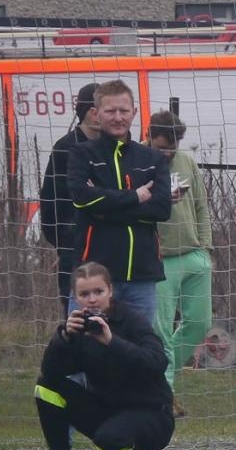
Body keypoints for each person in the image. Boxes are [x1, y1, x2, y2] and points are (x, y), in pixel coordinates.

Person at [30, 262, 173, 450]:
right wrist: (64, 338)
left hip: (151, 412)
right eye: (84, 294)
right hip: (109, 407)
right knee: (45, 387)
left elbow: (157, 362)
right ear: (76, 298)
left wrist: (110, 341)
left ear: (110, 291)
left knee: (107, 439)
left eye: (99, 291)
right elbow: (51, 373)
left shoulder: (132, 320)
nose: (92, 299)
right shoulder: (79, 329)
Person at [68, 79, 171, 320]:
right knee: (84, 346)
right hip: (93, 277)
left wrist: (105, 207)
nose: (117, 117)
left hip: (141, 277)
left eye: (123, 111)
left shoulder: (152, 157)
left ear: (134, 112)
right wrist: (135, 196)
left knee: (138, 350)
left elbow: (161, 208)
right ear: (96, 113)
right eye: (110, 111)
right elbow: (82, 198)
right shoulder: (81, 154)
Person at [148, 110, 211, 418]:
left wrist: (205, 247)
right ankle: (163, 397)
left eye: (172, 146)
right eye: (161, 147)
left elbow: (200, 203)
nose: (167, 152)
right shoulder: (140, 162)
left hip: (193, 255)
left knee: (200, 323)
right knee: (160, 332)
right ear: (149, 137)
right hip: (160, 260)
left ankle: (159, 381)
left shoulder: (186, 162)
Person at [38, 82, 100, 303]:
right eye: (106, 109)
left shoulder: (113, 147)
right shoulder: (64, 149)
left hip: (109, 247)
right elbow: (49, 202)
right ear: (91, 112)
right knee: (76, 316)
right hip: (73, 249)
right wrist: (63, 244)